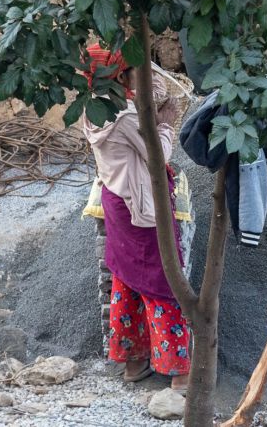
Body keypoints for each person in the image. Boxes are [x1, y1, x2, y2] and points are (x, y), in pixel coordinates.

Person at [81, 45, 192, 391]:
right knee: (162, 282)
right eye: (133, 70)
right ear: (119, 76)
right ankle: (180, 375)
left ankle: (133, 363)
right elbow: (157, 155)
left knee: (127, 280)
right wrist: (168, 125)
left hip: (117, 202)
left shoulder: (94, 105)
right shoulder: (124, 116)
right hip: (141, 209)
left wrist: (148, 82)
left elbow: (149, 93)